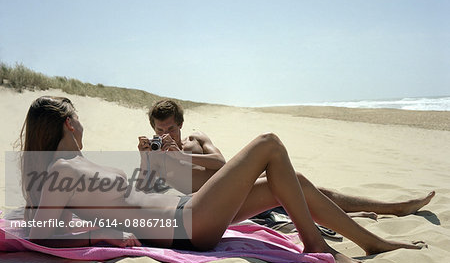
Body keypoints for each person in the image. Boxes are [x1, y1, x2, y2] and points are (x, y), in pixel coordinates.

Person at [22, 96, 426, 263]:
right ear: (68, 122)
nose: (81, 123)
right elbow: (41, 230)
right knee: (268, 144)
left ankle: (369, 240)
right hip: (185, 226)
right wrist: (106, 237)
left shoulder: (75, 162)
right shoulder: (60, 169)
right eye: (78, 118)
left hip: (187, 211)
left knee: (292, 181)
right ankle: (315, 245)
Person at [139, 99, 435, 218]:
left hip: (239, 186)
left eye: (172, 128)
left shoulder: (195, 140)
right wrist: (151, 159)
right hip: (222, 205)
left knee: (307, 188)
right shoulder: (155, 155)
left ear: (181, 124)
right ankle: (384, 210)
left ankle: (393, 207)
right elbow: (148, 191)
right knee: (295, 195)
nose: (167, 134)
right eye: (161, 130)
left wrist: (181, 157)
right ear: (154, 129)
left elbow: (224, 164)